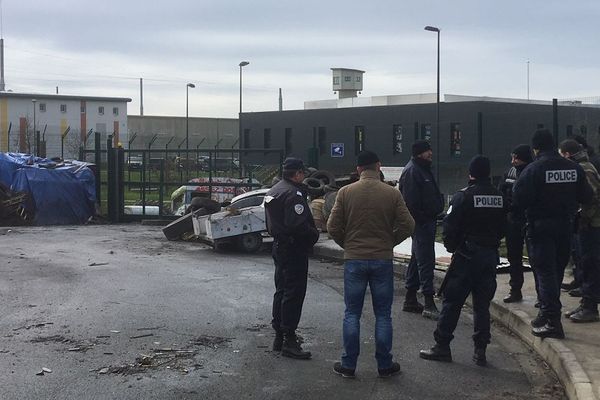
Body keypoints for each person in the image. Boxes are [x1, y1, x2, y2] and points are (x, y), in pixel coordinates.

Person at [327, 150, 415, 378]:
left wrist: (348, 244)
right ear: (379, 166)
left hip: (354, 259)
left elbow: (332, 227)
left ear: (358, 169)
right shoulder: (391, 194)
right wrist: (390, 241)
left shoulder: (345, 192)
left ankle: (348, 365)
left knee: (352, 313)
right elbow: (408, 225)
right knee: (383, 314)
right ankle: (385, 365)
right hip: (382, 259)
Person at [419, 155, 505, 366]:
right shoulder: (500, 197)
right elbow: (505, 226)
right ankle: (480, 350)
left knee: (452, 302)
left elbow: (449, 227)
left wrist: (453, 247)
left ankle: (442, 346)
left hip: (467, 256)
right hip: (489, 255)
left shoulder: (463, 196)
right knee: (482, 305)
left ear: (471, 173)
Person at [513, 129, 592, 338]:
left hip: (541, 227)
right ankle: (545, 314)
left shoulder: (534, 169)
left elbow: (520, 199)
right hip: (566, 226)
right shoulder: (573, 168)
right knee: (556, 271)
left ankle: (552, 321)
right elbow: (587, 195)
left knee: (545, 272)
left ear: (535, 148)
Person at [264, 157, 320, 359]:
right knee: (294, 293)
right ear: (297, 173)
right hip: (293, 248)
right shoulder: (294, 194)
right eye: (302, 173)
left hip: (280, 246)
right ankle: (289, 338)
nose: (303, 176)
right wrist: (314, 235)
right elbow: (297, 225)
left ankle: (279, 335)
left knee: (281, 290)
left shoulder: (275, 189)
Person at [399, 140, 444, 319]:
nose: (430, 153)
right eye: (427, 151)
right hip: (421, 223)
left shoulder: (421, 169)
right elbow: (410, 202)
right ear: (419, 153)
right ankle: (429, 302)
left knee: (417, 258)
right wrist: (424, 217)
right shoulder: (413, 171)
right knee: (426, 260)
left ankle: (410, 299)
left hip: (425, 221)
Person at [558, 139, 600, 322]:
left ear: (567, 154)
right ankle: (586, 303)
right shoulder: (581, 167)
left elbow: (592, 197)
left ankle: (590, 307)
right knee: (585, 262)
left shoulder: (584, 169)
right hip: (588, 224)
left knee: (590, 263)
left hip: (591, 225)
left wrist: (582, 217)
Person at [498, 144, 533, 303]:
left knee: (535, 258)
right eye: (512, 157)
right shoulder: (510, 173)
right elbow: (501, 193)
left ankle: (541, 294)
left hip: (529, 218)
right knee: (514, 257)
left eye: (516, 158)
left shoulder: (533, 172)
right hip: (512, 219)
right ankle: (515, 289)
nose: (513, 161)